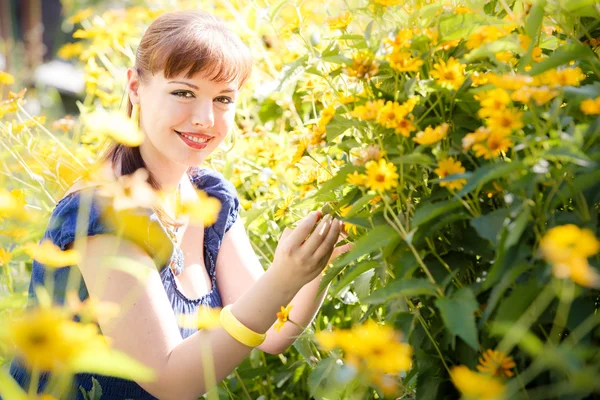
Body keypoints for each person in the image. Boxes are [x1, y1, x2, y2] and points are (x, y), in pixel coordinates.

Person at [9, 10, 350, 399]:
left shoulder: (210, 196)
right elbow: (170, 380)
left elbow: (272, 331)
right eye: (184, 92)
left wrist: (323, 262)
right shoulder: (103, 211)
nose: (206, 118)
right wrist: (283, 278)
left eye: (223, 99)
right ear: (135, 87)